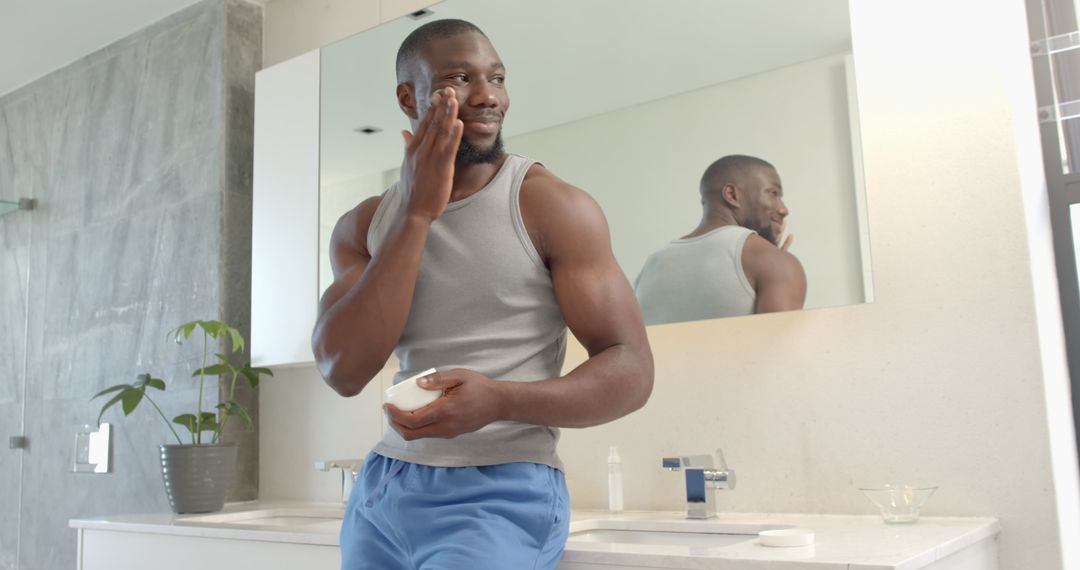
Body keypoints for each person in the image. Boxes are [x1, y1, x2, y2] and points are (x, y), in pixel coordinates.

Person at [310, 19, 654, 570]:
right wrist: (417, 213)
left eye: (496, 78)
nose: (488, 95)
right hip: (383, 488)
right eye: (459, 78)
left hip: (502, 489)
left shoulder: (551, 206)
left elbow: (632, 370)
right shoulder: (365, 225)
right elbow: (343, 369)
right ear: (408, 97)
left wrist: (502, 399)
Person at [634, 155, 806, 325]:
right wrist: (776, 264)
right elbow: (782, 351)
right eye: (773, 193)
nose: (784, 209)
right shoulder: (773, 263)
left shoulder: (651, 266)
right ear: (732, 195)